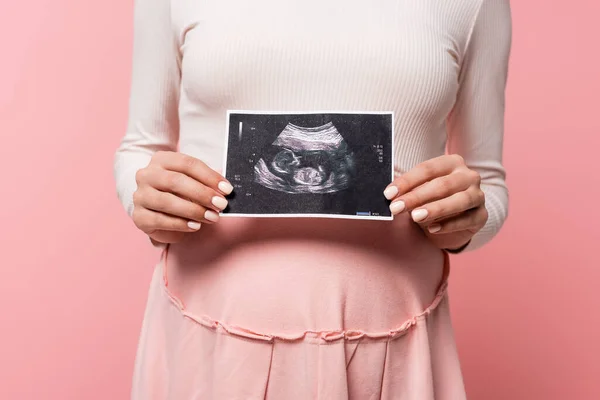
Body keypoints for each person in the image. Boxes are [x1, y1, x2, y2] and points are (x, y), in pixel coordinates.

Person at [113, 0, 512, 398]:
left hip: (392, 344)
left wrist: (463, 220)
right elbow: (141, 147)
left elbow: (488, 181)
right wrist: (144, 197)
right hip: (209, 331)